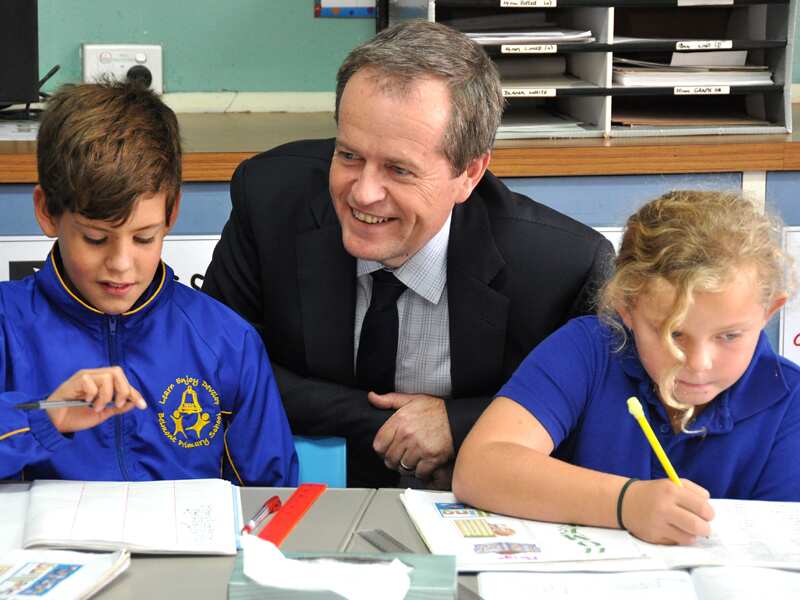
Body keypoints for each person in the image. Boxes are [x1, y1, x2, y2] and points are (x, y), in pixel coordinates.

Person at [202, 20, 613, 488]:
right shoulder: (271, 199)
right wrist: (383, 425)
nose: (363, 194)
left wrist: (455, 423)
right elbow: (218, 364)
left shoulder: (562, 267)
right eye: (349, 155)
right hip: (298, 495)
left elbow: (596, 409)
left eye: (398, 170)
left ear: (470, 174)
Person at [453, 190, 800, 545]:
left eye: (729, 336)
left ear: (768, 313)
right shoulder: (589, 350)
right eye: (673, 334)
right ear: (627, 308)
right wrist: (625, 503)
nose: (698, 364)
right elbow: (480, 467)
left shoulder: (789, 401)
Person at [0, 81, 298, 485]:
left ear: (172, 212)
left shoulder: (228, 341)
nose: (121, 265)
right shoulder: (7, 324)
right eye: (95, 238)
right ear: (47, 211)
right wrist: (46, 416)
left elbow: (270, 497)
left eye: (144, 238)